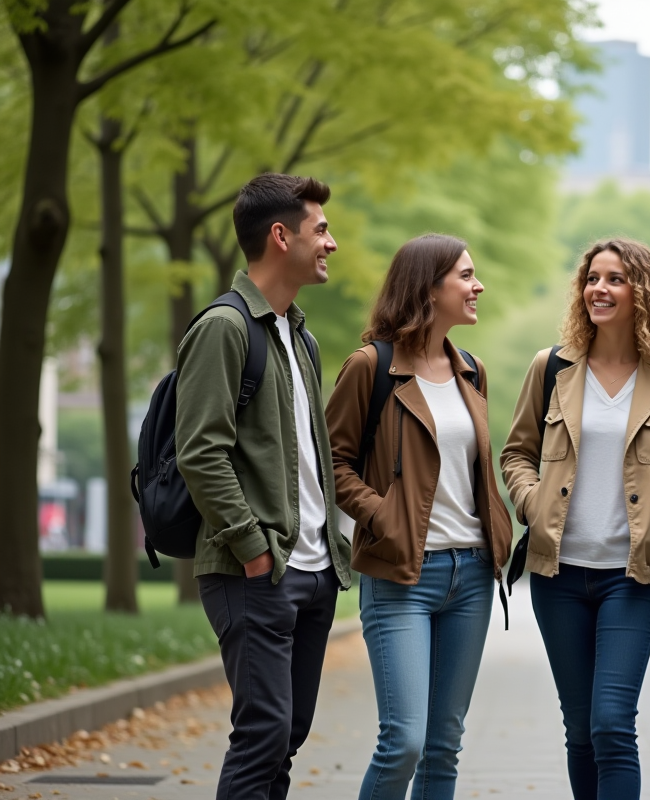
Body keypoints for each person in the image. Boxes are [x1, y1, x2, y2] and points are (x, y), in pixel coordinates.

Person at [500, 238, 650, 800]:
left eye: (614, 279)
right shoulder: (553, 369)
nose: (599, 289)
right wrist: (532, 502)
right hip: (557, 573)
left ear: (643, 292)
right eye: (592, 278)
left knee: (612, 723)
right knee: (581, 730)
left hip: (631, 574)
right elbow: (515, 453)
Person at [176, 173, 352, 800]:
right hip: (255, 571)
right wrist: (252, 548)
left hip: (311, 571)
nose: (331, 243)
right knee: (263, 732)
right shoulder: (225, 328)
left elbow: (310, 458)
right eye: (321, 230)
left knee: (288, 732)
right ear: (282, 236)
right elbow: (201, 451)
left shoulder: (298, 334)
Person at [324, 233, 513, 799]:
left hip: (472, 576)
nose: (477, 285)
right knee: (403, 740)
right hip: (403, 574)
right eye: (466, 275)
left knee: (442, 745)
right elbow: (331, 462)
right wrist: (381, 514)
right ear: (428, 289)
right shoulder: (371, 366)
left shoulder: (472, 371)